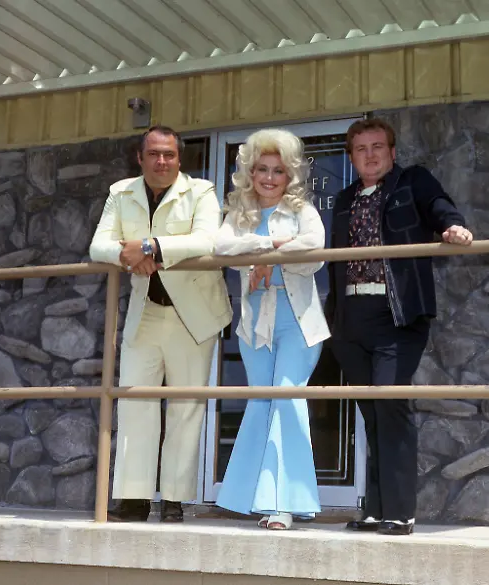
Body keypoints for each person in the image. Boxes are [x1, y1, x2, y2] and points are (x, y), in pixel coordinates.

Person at [325, 118, 473, 536]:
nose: (370, 155)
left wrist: (451, 225)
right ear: (351, 157)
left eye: (378, 147)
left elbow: (439, 207)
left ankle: (400, 511)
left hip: (396, 314)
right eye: (360, 149)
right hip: (351, 319)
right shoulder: (343, 199)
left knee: (391, 405)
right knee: (372, 415)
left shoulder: (412, 182)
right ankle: (375, 509)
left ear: (392, 152)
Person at [89, 125, 232, 523]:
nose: (161, 161)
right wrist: (128, 255)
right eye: (153, 153)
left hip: (192, 314)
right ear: (140, 157)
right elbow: (97, 244)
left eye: (169, 154)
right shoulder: (121, 193)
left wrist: (152, 247)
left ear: (179, 158)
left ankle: (174, 500)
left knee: (187, 407)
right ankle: (133, 501)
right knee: (136, 403)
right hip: (146, 311)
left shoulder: (201, 191)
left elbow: (208, 240)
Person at [213, 128, 329, 531]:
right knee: (261, 403)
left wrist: (265, 252)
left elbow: (314, 248)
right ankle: (249, 498)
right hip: (253, 325)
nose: (268, 177)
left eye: (278, 170)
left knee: (286, 400)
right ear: (249, 171)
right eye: (261, 168)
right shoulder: (239, 211)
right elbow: (221, 247)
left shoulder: (302, 210)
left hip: (297, 322)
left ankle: (284, 504)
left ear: (290, 175)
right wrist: (269, 250)